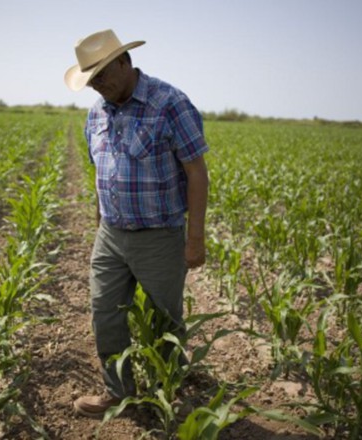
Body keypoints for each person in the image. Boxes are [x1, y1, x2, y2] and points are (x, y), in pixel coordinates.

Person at [64, 29, 209, 419]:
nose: (99, 86)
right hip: (110, 234)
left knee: (165, 318)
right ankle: (117, 391)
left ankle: (169, 394)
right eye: (91, 81)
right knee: (104, 312)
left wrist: (194, 239)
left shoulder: (169, 103)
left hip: (159, 235)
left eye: (103, 76)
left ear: (125, 62)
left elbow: (196, 172)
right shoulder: (96, 112)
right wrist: (99, 225)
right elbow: (101, 173)